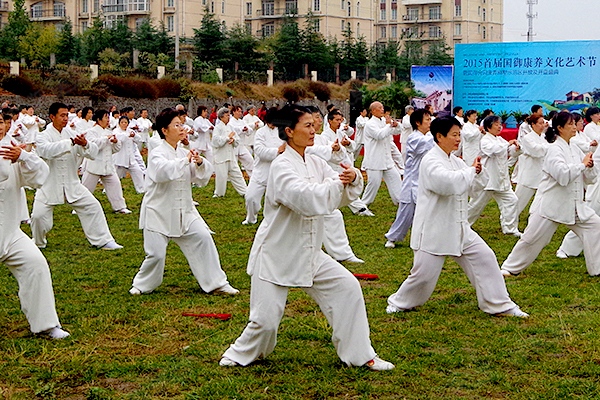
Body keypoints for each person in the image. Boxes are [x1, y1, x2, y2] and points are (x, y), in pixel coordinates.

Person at [220, 105, 394, 371]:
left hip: (310, 251)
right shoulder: (281, 166)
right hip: (276, 253)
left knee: (348, 288)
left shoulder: (314, 160)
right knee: (265, 321)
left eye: (315, 125)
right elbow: (308, 199)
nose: (314, 131)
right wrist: (338, 183)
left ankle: (361, 354)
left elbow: (340, 196)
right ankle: (240, 352)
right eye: (307, 126)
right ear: (289, 132)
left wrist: (352, 177)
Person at [386, 117, 528, 318]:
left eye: (459, 134)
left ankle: (500, 305)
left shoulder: (455, 160)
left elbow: (473, 186)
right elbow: (447, 184)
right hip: (434, 228)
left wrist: (477, 172)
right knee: (423, 275)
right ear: (439, 136)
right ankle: (399, 302)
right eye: (454, 135)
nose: (458, 139)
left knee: (485, 258)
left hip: (459, 226)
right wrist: (471, 172)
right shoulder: (430, 160)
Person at [129, 108, 238, 296]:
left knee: (204, 238)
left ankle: (217, 283)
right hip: (158, 211)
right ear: (164, 130)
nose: (182, 128)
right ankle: (141, 285)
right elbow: (162, 173)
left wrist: (199, 163)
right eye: (176, 125)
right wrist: (185, 161)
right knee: (156, 254)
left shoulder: (183, 151)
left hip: (184, 211)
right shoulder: (157, 153)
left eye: (182, 124)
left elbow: (200, 179)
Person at [501, 112, 600, 277]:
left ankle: (596, 269)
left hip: (573, 204)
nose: (575, 127)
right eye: (571, 124)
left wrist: (589, 167)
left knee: (595, 226)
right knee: (532, 239)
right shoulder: (554, 149)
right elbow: (562, 176)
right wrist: (582, 166)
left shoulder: (574, 148)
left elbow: (589, 179)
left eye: (575, 124)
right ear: (560, 128)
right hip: (550, 204)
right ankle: (510, 267)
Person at [0, 116, 70, 339]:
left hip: (10, 232)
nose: (0, 126)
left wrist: (24, 157)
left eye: (1, 121)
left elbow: (38, 177)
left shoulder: (13, 150)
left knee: (36, 265)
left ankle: (46, 325)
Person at [31, 102, 122, 250]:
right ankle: (38, 242)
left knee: (93, 206)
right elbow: (46, 151)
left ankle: (103, 240)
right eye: (62, 115)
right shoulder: (42, 136)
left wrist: (85, 144)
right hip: (48, 184)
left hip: (71, 183)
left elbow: (91, 153)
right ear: (52, 117)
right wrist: (71, 142)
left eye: (67, 115)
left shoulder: (72, 134)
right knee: (38, 216)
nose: (65, 118)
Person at [384, 108, 433, 248]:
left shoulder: (429, 136)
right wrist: (440, 135)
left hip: (424, 180)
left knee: (426, 210)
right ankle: (392, 237)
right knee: (405, 212)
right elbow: (428, 144)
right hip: (412, 180)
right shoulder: (414, 138)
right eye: (427, 120)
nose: (430, 122)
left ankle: (425, 238)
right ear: (418, 123)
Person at [467, 115, 522, 236]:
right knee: (475, 206)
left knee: (512, 200)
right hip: (487, 181)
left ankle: (510, 228)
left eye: (499, 124)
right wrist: (508, 144)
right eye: (496, 124)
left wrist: (517, 148)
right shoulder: (485, 140)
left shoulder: (499, 139)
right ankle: (463, 225)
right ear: (488, 127)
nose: (499, 126)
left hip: (501, 180)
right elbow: (493, 150)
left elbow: (510, 152)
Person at [80, 109, 131, 214]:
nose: (108, 120)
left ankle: (120, 207)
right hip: (94, 165)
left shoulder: (109, 132)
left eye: (108, 117)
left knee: (115, 185)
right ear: (99, 119)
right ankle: (79, 207)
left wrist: (116, 142)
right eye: (106, 117)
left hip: (108, 165)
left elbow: (115, 149)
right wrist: (105, 139)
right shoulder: (91, 132)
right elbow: (93, 146)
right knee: (86, 188)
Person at [242, 107, 284, 225]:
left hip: (277, 172)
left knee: (278, 201)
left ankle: (275, 220)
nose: (273, 125)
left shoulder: (281, 131)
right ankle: (251, 218)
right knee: (250, 197)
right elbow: (260, 151)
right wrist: (277, 151)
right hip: (261, 171)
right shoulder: (260, 132)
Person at [361, 101, 403, 207]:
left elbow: (398, 131)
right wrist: (389, 126)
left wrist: (396, 125)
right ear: (373, 110)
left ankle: (400, 201)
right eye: (380, 108)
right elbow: (379, 135)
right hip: (375, 160)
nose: (382, 109)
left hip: (387, 159)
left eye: (382, 107)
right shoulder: (370, 124)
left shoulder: (384, 121)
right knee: (373, 184)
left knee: (396, 178)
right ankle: (362, 206)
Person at [514, 114, 549, 216]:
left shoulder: (543, 137)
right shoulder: (527, 138)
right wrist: (547, 147)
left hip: (541, 173)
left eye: (543, 123)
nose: (543, 126)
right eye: (540, 123)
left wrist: (546, 147)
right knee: (519, 202)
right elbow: (536, 151)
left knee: (540, 202)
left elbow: (545, 150)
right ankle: (508, 223)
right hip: (529, 175)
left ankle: (535, 217)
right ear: (533, 124)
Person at [212, 107, 247, 198]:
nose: (229, 117)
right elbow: (216, 142)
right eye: (227, 115)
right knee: (222, 176)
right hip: (221, 156)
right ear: (222, 116)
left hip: (230, 155)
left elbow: (237, 139)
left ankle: (244, 192)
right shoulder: (218, 128)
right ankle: (219, 194)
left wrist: (233, 140)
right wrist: (227, 138)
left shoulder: (230, 127)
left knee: (237, 174)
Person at [113, 116, 146, 194]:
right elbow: (119, 138)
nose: (124, 124)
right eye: (122, 122)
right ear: (119, 123)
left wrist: (134, 135)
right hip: (120, 158)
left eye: (126, 122)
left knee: (138, 172)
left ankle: (141, 189)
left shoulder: (130, 131)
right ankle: (108, 190)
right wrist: (128, 135)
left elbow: (138, 138)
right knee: (115, 176)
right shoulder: (116, 131)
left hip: (131, 158)